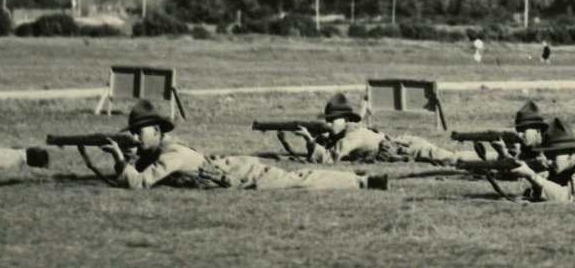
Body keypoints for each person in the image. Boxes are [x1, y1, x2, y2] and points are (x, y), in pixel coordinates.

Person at [100, 100, 382, 191]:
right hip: (229, 168)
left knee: (299, 179)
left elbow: (139, 183)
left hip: (239, 174)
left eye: (139, 132)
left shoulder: (172, 153)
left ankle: (363, 182)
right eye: (133, 133)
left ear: (157, 131)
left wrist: (119, 158)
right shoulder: (161, 149)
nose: (135, 137)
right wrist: (130, 157)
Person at [285, 93, 476, 166]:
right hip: (401, 144)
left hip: (409, 147)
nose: (328, 124)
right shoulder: (346, 132)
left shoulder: (353, 136)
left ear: (346, 121)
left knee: (453, 159)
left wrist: (309, 140)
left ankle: (485, 158)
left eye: (332, 120)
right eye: (328, 120)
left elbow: (329, 159)